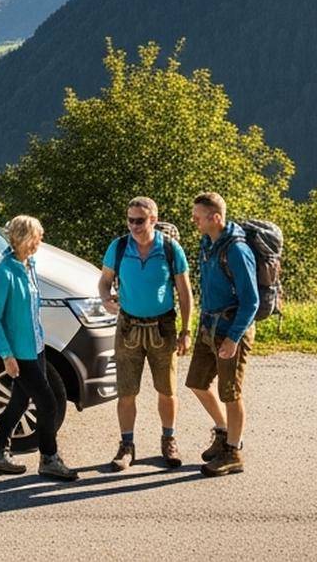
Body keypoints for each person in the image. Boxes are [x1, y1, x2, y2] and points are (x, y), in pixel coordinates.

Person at [97, 197, 192, 470]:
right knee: (126, 392)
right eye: (130, 220)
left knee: (167, 390)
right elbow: (104, 281)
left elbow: (185, 293)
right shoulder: (119, 246)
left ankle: (169, 440)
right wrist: (105, 299)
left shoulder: (171, 249)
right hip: (128, 326)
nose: (134, 226)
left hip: (163, 326)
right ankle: (126, 446)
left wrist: (186, 331)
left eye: (139, 220)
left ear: (153, 220)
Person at [0, 214, 77, 481]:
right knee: (48, 404)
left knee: (20, 400)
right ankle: (49, 458)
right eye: (38, 234)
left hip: (36, 347)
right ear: (25, 237)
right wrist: (6, 355)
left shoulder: (29, 265)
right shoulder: (5, 273)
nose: (42, 238)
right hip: (20, 354)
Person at [186, 191, 258, 476]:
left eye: (198, 216)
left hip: (229, 329)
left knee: (231, 393)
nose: (194, 221)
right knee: (197, 382)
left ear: (215, 217)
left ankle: (233, 452)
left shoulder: (237, 251)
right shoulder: (208, 242)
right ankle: (224, 431)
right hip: (208, 327)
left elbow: (251, 301)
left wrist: (233, 338)